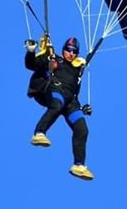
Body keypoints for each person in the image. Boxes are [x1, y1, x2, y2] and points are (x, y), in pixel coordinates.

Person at [24, 34, 94, 180]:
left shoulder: (77, 70)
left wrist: (82, 109)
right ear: (64, 49)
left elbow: (73, 92)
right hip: (55, 90)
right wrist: (31, 51)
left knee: (82, 128)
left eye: (75, 51)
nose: (71, 53)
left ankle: (79, 165)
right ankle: (39, 133)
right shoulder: (53, 58)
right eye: (69, 50)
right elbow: (32, 65)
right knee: (57, 104)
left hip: (71, 101)